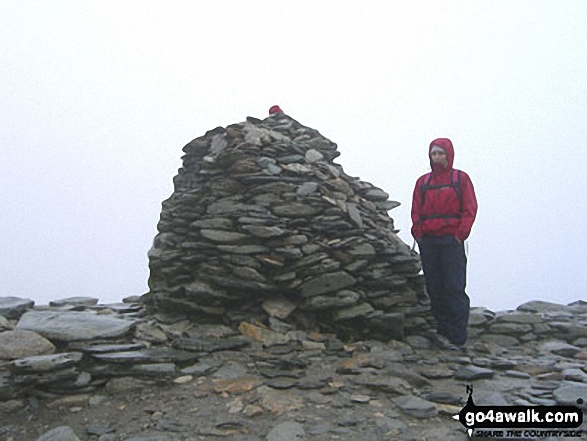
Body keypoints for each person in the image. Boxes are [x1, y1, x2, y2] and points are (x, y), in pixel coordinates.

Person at [411, 138, 478, 350]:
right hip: (429, 241)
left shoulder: (461, 179)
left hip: (451, 240)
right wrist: (418, 231)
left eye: (441, 154)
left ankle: (458, 336)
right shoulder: (423, 182)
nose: (437, 158)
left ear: (449, 155)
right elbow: (416, 210)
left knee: (454, 287)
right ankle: (442, 331)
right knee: (434, 287)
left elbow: (470, 208)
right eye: (434, 154)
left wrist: (461, 234)